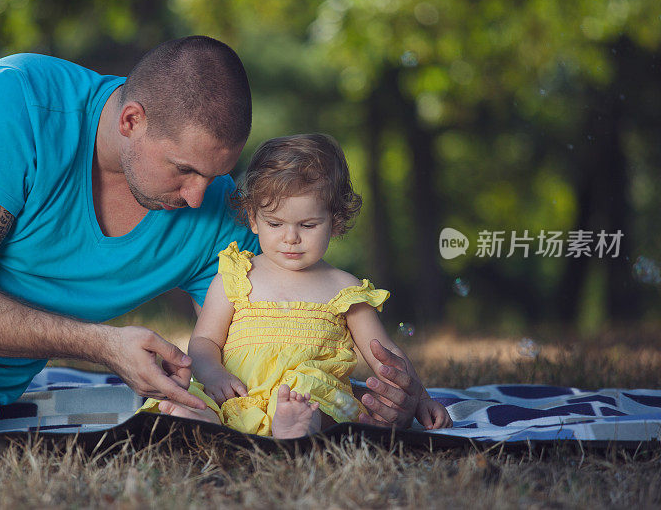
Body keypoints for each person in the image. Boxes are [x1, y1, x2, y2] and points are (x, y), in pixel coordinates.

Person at [0, 37, 422, 448]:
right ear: (131, 119)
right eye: (183, 170)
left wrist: (383, 389)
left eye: (214, 175)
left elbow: (271, 332)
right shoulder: (14, 103)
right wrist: (105, 346)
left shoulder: (212, 215)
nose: (199, 196)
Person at [140, 134, 452, 437]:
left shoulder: (344, 290)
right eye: (275, 223)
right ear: (252, 218)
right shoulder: (235, 277)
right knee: (195, 392)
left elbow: (386, 355)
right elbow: (205, 340)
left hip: (310, 398)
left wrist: (420, 397)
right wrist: (214, 373)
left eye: (308, 225)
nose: (291, 237)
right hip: (238, 392)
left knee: (318, 394)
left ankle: (299, 424)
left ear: (336, 221)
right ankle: (201, 417)